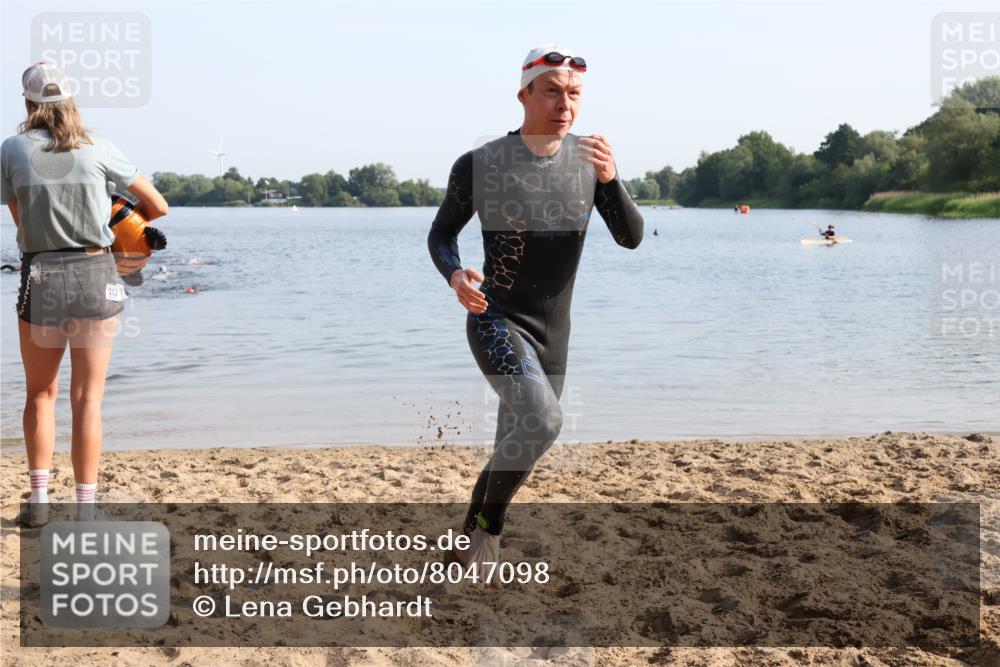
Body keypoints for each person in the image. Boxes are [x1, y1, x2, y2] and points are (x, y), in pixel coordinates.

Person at [427, 45, 643, 584]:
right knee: (543, 422)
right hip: (496, 320)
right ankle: (490, 528)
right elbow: (441, 235)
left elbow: (631, 237)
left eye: (573, 94)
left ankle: (468, 539)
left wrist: (613, 179)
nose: (564, 104)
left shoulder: (592, 160)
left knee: (514, 443)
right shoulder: (481, 163)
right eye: (552, 91)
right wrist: (455, 275)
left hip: (555, 334)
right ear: (525, 92)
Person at [2, 63, 169, 525]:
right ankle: (86, 508)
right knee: (88, 397)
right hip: (98, 271)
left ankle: (37, 504)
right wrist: (113, 211)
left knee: (40, 394)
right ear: (72, 101)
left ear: (28, 103)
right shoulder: (101, 147)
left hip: (42, 274)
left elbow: (20, 218)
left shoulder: (11, 149)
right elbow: (158, 208)